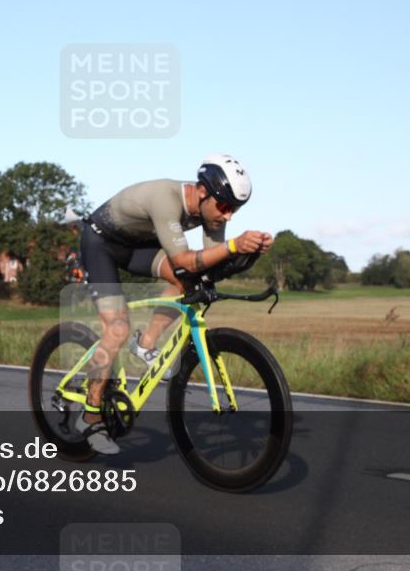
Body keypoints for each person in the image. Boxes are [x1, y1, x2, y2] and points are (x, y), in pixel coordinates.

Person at [75, 154, 274, 454]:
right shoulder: (165, 199)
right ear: (203, 191)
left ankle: (145, 344)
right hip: (100, 243)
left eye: (235, 209)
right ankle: (90, 415)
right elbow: (183, 259)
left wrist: (250, 254)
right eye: (224, 206)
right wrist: (233, 245)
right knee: (116, 328)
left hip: (136, 247)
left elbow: (212, 268)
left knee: (189, 282)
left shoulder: (211, 214)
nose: (228, 216)